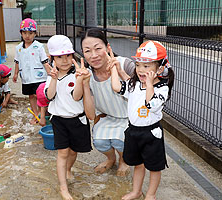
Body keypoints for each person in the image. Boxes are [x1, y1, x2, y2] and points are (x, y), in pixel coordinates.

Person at [110, 40, 174, 200]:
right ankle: (136, 191)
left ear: (160, 67)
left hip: (151, 133)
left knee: (154, 167)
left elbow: (151, 104)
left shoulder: (162, 88)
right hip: (133, 131)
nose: (140, 70)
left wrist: (150, 84)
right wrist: (114, 69)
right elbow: (118, 87)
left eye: (146, 66)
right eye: (138, 65)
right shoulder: (135, 84)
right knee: (138, 164)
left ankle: (150, 195)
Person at [45, 35, 94, 200]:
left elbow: (76, 97)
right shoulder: (51, 76)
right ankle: (63, 188)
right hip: (59, 120)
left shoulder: (76, 74)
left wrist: (80, 80)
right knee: (63, 153)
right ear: (52, 58)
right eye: (60, 56)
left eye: (68, 55)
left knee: (73, 152)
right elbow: (49, 96)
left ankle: (68, 170)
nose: (65, 60)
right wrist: (53, 79)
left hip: (77, 120)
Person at [81, 28, 135, 176]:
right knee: (100, 142)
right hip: (107, 116)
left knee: (120, 142)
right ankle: (111, 159)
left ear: (108, 47)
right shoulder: (87, 74)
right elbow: (91, 115)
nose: (94, 55)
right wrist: (84, 84)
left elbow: (141, 93)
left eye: (98, 48)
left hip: (129, 117)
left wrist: (119, 73)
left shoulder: (125, 65)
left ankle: (123, 160)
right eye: (87, 51)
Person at [13, 18, 51, 124]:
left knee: (38, 95)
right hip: (26, 77)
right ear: (21, 33)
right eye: (24, 33)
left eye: (30, 33)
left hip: (39, 76)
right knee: (31, 96)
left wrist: (50, 73)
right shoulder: (18, 48)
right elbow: (17, 61)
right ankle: (35, 114)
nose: (27, 36)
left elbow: (45, 62)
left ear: (35, 33)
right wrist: (15, 74)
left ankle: (41, 113)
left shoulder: (39, 46)